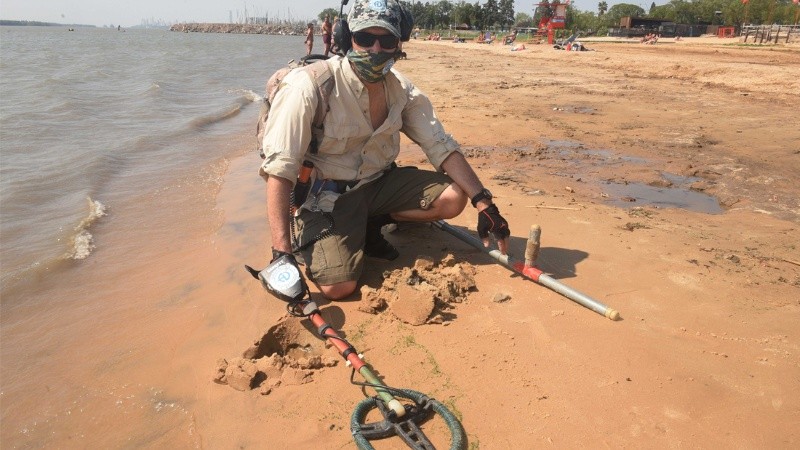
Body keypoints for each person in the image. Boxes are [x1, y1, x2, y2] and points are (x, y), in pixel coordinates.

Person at [259, 0, 511, 300]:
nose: (375, 49)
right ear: (346, 38)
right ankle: (310, 234)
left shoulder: (401, 90)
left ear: (398, 44)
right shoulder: (310, 87)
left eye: (387, 40)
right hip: (325, 199)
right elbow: (280, 171)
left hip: (377, 183)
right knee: (338, 287)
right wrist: (281, 253)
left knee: (453, 198)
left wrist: (485, 204)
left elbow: (440, 146)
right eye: (365, 39)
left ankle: (372, 221)